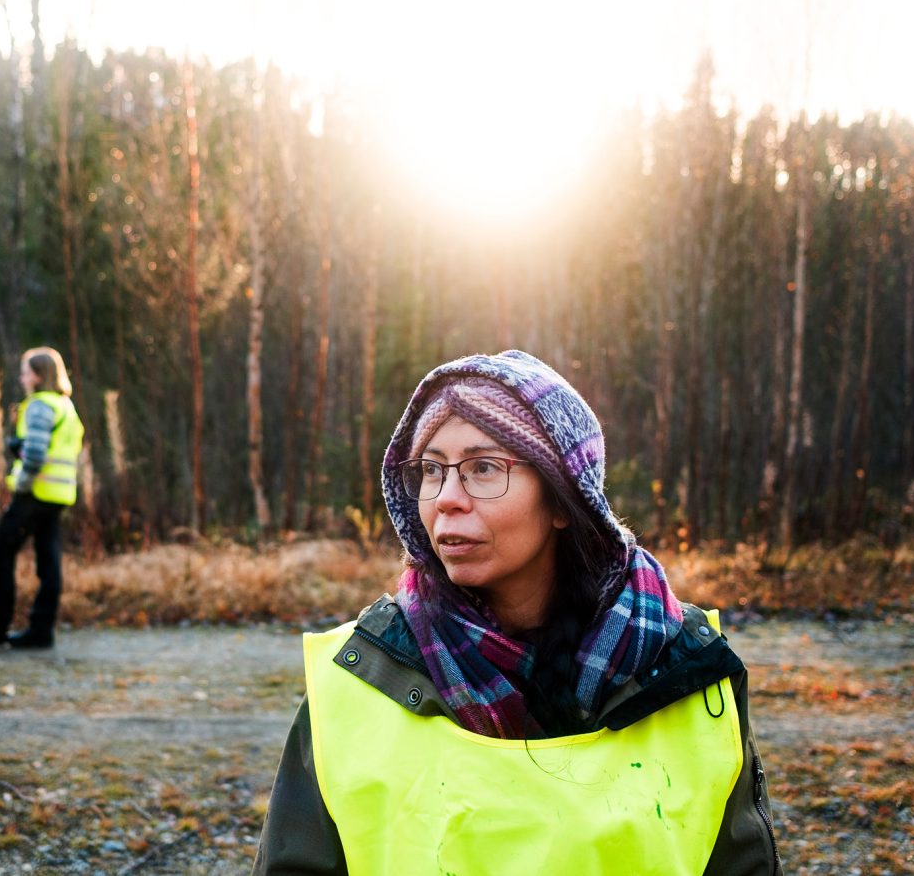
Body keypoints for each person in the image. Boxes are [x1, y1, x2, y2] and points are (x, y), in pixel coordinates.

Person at [253, 350, 782, 875]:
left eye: (483, 468)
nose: (447, 499)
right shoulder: (360, 680)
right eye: (432, 471)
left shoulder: (684, 670)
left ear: (560, 500)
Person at [0, 346, 84, 650]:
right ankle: (41, 631)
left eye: (26, 371)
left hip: (35, 493)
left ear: (39, 375)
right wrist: (22, 448)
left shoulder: (40, 405)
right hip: (60, 494)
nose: (22, 376)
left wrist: (21, 483)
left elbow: (39, 454)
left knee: (0, 553)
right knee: (48, 561)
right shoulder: (65, 406)